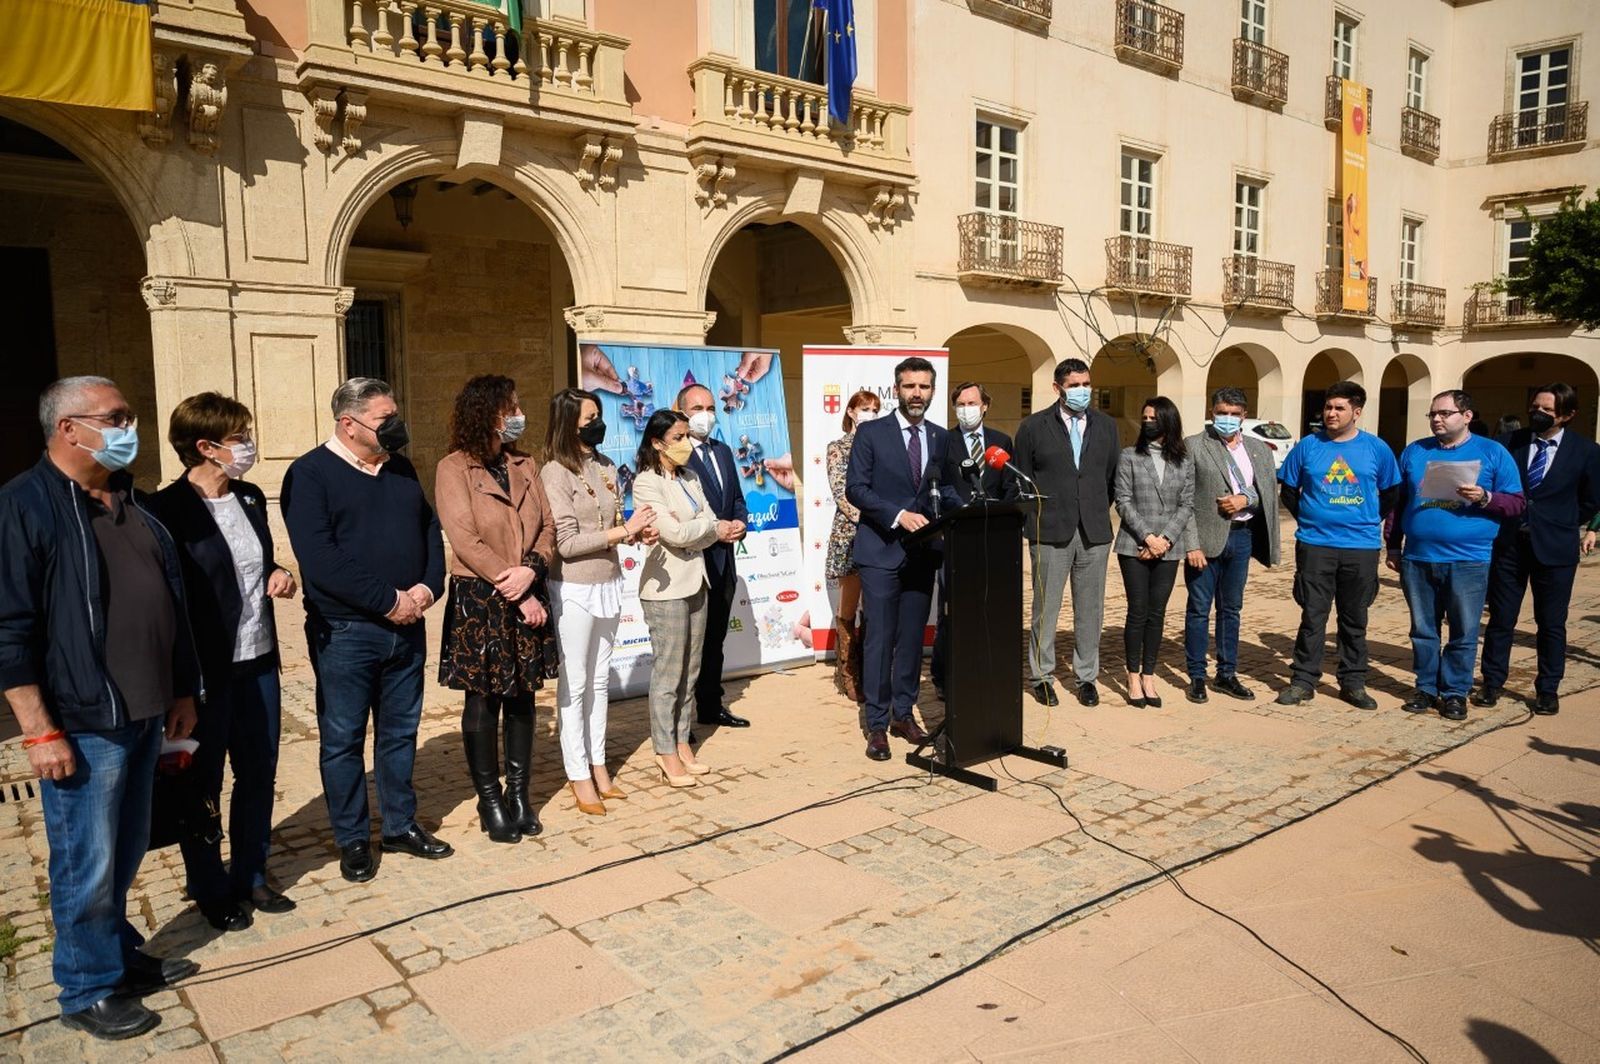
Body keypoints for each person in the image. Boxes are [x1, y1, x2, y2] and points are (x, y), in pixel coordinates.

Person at [0, 376, 199, 1040]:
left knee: (127, 847)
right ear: (68, 429)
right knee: (86, 860)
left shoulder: (130, 500)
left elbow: (171, 604)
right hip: (83, 722)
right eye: (116, 418)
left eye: (129, 417)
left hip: (144, 711)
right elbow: (9, 629)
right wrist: (38, 731)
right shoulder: (24, 506)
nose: (128, 429)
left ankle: (115, 954)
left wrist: (181, 690)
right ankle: (86, 987)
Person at [281, 377, 449, 883]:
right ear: (348, 424)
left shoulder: (400, 468)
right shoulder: (310, 474)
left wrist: (427, 588)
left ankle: (399, 825)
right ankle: (352, 838)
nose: (396, 426)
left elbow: (428, 529)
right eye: (384, 419)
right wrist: (388, 601)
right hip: (347, 631)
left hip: (408, 626)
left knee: (400, 733)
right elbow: (320, 558)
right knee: (343, 739)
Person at [149, 393, 297, 934]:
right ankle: (209, 886)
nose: (249, 446)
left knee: (258, 772)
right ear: (207, 446)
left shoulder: (251, 497)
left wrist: (280, 573)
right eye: (239, 437)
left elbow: (256, 561)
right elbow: (166, 600)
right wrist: (178, 686)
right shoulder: (164, 510)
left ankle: (252, 872)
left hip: (258, 661)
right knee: (203, 781)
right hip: (206, 674)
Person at [434, 376, 556, 843]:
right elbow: (465, 540)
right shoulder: (453, 468)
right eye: (512, 408)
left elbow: (548, 527)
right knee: (483, 700)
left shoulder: (525, 463)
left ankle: (519, 794)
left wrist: (532, 570)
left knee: (523, 694)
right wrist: (518, 588)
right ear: (486, 413)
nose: (519, 414)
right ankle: (489, 801)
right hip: (482, 597)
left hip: (527, 584)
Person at [540, 389, 657, 816]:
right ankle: (578, 773)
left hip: (609, 580)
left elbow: (616, 520)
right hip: (573, 587)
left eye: (598, 416)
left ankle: (599, 764)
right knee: (575, 682)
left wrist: (638, 531)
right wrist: (623, 532)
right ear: (568, 423)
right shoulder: (555, 472)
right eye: (589, 418)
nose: (597, 424)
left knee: (600, 681)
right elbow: (567, 543)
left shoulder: (606, 465)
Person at [1386, 390, 1525, 721]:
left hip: (1469, 559)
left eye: (1444, 413)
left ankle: (1454, 693)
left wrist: (1486, 497)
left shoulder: (1492, 452)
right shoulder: (1415, 451)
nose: (1436, 419)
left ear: (1467, 416)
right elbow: (1398, 502)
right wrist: (1393, 544)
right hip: (1418, 557)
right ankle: (1425, 688)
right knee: (1423, 630)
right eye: (1432, 414)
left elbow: (1517, 503)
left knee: (1463, 631)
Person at [845, 355, 955, 761]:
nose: (917, 393)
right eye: (910, 386)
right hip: (880, 550)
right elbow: (856, 488)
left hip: (923, 553)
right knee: (880, 638)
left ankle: (902, 714)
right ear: (897, 390)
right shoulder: (871, 433)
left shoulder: (941, 437)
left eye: (924, 386)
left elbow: (945, 489)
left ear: (932, 390)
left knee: (911, 639)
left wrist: (969, 508)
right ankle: (877, 724)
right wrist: (898, 515)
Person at [632, 410, 743, 784]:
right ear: (657, 443)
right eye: (677, 438)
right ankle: (665, 751)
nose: (685, 445)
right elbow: (674, 533)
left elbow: (705, 525)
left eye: (686, 437)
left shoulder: (691, 477)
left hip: (698, 581)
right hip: (665, 589)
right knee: (669, 673)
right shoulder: (646, 483)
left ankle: (682, 743)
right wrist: (708, 528)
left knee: (690, 671)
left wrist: (704, 528)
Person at [1275, 381, 1401, 709]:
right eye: (1328, 407)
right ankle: (1303, 681)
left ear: (1356, 412)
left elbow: (1391, 493)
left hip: (1361, 547)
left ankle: (1353, 682)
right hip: (1315, 545)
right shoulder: (1308, 446)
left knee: (1354, 618)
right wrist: (1311, 519)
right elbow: (1288, 490)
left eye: (1339, 408)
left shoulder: (1377, 449)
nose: (1331, 413)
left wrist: (1368, 519)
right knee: (1313, 616)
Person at [1477, 383, 1600, 715]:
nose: (1538, 413)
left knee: (1551, 623)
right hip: (1509, 545)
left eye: (1547, 410)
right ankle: (1492, 682)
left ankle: (1548, 688)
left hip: (1555, 548)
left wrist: (1561, 521)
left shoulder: (1587, 451)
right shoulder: (1508, 443)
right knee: (1501, 619)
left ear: (1567, 415)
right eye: (1535, 407)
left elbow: (1591, 499)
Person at [1012, 358, 1120, 707]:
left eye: (1086, 384)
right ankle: (1042, 676)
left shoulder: (1106, 426)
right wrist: (1037, 519)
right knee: (1046, 609)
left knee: (1091, 610)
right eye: (1074, 385)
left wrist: (1092, 508)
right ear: (1057, 388)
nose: (1082, 391)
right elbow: (1022, 480)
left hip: (1093, 532)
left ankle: (1086, 676)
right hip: (1049, 531)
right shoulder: (1033, 427)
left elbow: (1111, 477)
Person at [1182, 387, 1281, 704]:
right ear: (1212, 412)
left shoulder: (1258, 449)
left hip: (1242, 536)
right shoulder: (1194, 446)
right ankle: (1197, 675)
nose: (1227, 418)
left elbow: (1267, 491)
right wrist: (1191, 544)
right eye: (1222, 412)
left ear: (1244, 415)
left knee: (1231, 609)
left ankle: (1226, 674)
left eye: (1234, 414)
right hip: (1205, 541)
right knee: (1199, 610)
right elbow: (1183, 500)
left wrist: (1245, 499)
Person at [931, 381, 1017, 692]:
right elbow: (940, 483)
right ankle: (944, 676)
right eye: (961, 404)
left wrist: (999, 513)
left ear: (985, 406)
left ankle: (985, 671)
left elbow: (1010, 486)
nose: (966, 409)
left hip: (992, 537)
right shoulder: (944, 441)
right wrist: (963, 508)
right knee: (952, 610)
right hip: (957, 535)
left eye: (972, 403)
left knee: (989, 608)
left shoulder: (1001, 441)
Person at [679, 383, 752, 730]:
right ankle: (680, 722)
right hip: (692, 562)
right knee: (688, 644)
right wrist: (713, 530)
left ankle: (711, 706)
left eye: (710, 408)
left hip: (724, 561)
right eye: (697, 409)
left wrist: (740, 522)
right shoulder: (677, 454)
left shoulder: (722, 451)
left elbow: (735, 498)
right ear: (682, 413)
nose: (705, 416)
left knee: (714, 640)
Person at [1113, 398, 1194, 708]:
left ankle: (1149, 675)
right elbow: (1123, 500)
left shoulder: (1184, 460)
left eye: (1153, 418)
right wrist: (1148, 537)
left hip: (1169, 549)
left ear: (1168, 421)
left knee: (1157, 613)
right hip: (1134, 545)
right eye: (1144, 417)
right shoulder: (1129, 456)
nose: (1147, 422)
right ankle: (1133, 676)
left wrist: (1165, 540)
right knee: (1138, 611)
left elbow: (1187, 504)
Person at [825, 389, 881, 704]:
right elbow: (841, 493)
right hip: (851, 534)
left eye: (875, 409)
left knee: (874, 605)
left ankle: (871, 671)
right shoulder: (838, 448)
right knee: (849, 605)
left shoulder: (882, 447)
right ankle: (848, 673)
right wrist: (875, 516)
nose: (870, 414)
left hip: (881, 534)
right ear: (851, 412)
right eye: (865, 408)